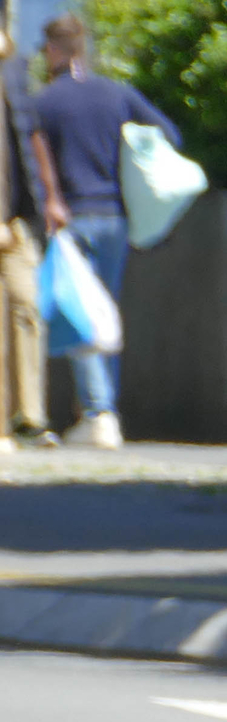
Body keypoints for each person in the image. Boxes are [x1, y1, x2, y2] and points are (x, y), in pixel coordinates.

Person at [31, 13, 181, 449]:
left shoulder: (46, 102)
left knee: (81, 316)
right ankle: (98, 411)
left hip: (71, 218)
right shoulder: (117, 94)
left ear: (56, 51)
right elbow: (168, 133)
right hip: (115, 217)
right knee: (104, 314)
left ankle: (99, 414)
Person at [0, 35, 66, 449]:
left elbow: (31, 137)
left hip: (17, 220)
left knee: (28, 306)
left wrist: (49, 197)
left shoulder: (14, 73)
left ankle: (30, 416)